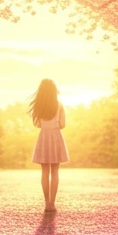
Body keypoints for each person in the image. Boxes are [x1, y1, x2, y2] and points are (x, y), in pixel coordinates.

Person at [30, 78, 69, 212]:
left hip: (44, 138)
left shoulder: (39, 106)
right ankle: (52, 203)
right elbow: (63, 125)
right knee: (55, 172)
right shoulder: (59, 105)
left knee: (45, 172)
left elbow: (37, 124)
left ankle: (46, 202)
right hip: (56, 137)